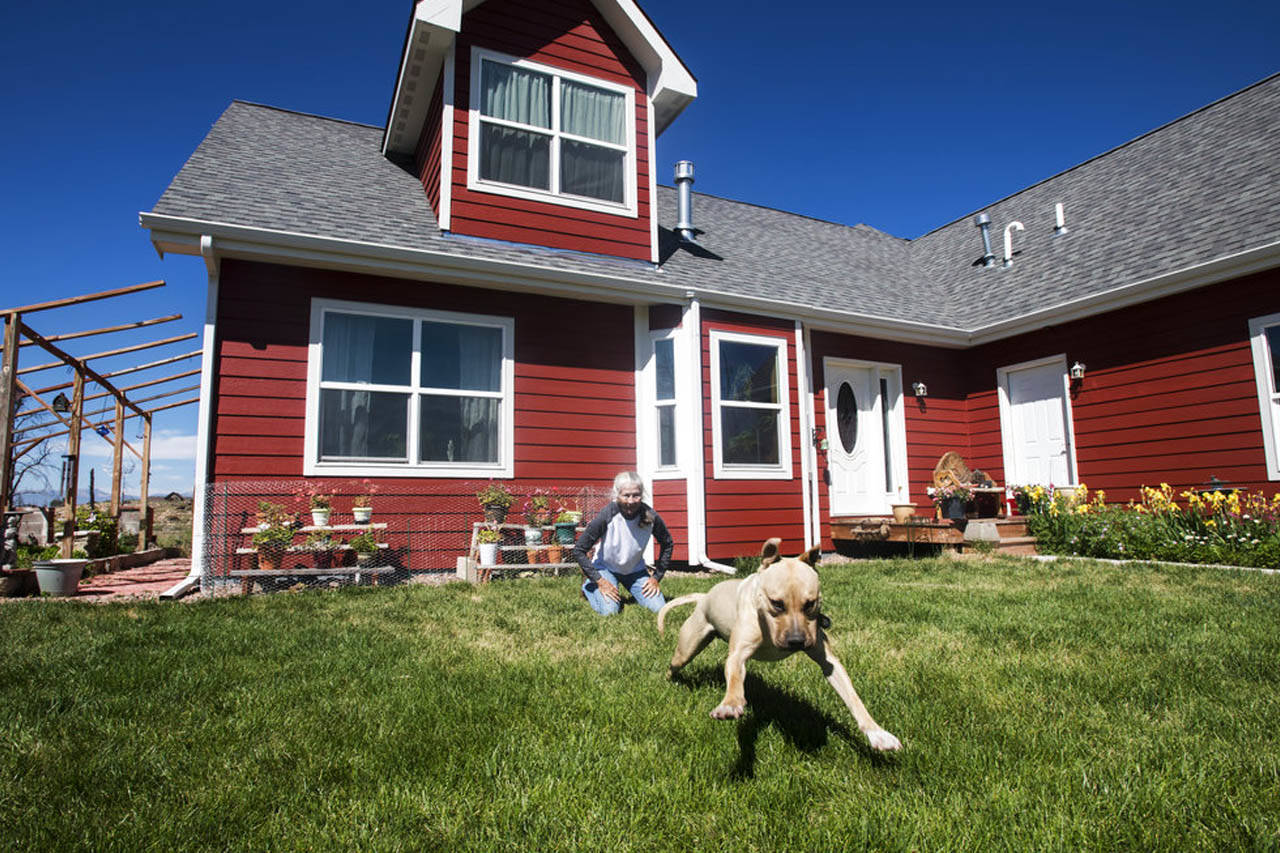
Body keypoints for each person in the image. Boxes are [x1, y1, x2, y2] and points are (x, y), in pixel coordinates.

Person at [572, 471, 674, 615]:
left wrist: (656, 577)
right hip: (605, 568)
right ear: (617, 494)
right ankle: (589, 586)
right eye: (626, 495)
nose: (631, 501)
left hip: (635, 571)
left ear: (642, 495)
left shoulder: (651, 517)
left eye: (636, 495)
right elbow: (579, 549)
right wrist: (599, 580)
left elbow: (667, 543)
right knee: (610, 611)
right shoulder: (606, 515)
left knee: (659, 609)